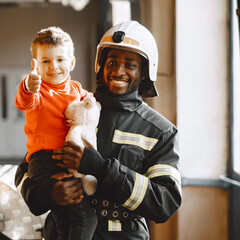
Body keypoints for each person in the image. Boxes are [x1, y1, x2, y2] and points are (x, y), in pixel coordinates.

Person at [15, 21, 182, 240]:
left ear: (144, 72)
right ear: (101, 65)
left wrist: (102, 170)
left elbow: (164, 202)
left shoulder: (160, 131)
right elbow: (25, 169)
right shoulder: (78, 108)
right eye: (112, 62)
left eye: (130, 65)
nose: (118, 71)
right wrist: (46, 193)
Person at [14, 26, 97, 240]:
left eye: (60, 59)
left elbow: (96, 104)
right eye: (45, 61)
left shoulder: (77, 90)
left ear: (72, 62)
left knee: (64, 219)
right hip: (44, 162)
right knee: (85, 216)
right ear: (36, 65)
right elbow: (24, 100)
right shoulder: (38, 90)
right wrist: (27, 84)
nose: (54, 67)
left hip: (67, 159)